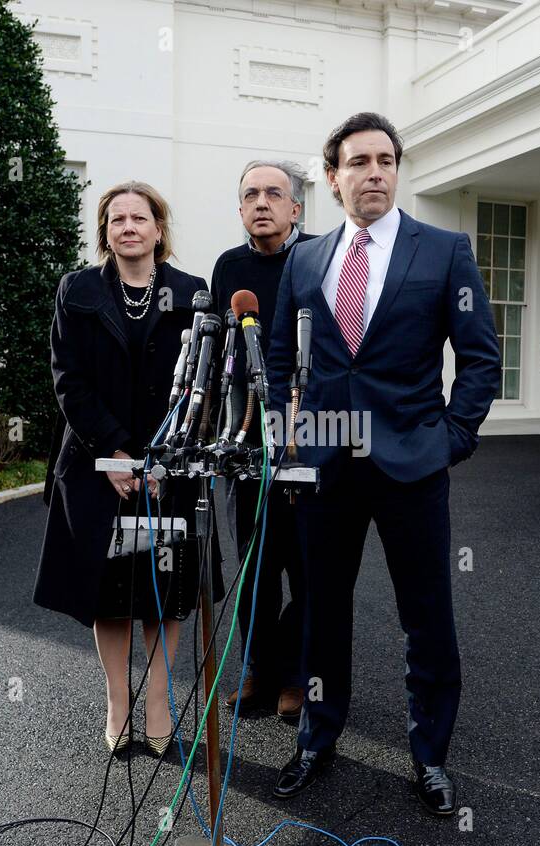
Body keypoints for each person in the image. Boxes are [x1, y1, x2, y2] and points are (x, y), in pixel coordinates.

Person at [266, 112, 500, 816]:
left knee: (427, 614)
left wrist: (450, 437)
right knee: (321, 610)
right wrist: (288, 437)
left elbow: (482, 357)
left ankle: (429, 753)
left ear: (397, 170)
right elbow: (280, 358)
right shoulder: (305, 259)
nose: (374, 171)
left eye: (386, 159)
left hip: (412, 463)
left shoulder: (444, 251)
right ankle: (317, 733)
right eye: (358, 161)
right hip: (327, 465)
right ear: (332, 176)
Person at [33, 181, 219, 758]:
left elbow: (202, 383)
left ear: (159, 229)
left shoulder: (192, 292)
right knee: (108, 591)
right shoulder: (79, 290)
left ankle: (158, 700)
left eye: (141, 218)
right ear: (105, 232)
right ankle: (119, 700)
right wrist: (113, 450)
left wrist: (168, 454)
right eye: (118, 220)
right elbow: (69, 379)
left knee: (164, 587)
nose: (130, 227)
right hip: (95, 464)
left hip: (172, 466)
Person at [209, 159, 315, 720]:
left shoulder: (320, 256)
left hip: (309, 436)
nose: (262, 203)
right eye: (250, 194)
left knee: (305, 565)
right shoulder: (228, 268)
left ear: (296, 207)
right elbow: (222, 358)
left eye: (274, 193)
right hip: (248, 440)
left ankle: (298, 675)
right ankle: (258, 668)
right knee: (254, 563)